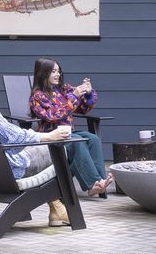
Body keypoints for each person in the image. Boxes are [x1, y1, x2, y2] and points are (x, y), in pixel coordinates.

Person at [0, 54, 74, 226]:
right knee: (59, 150)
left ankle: (55, 210)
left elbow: (11, 137)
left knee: (47, 149)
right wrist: (50, 136)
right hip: (10, 171)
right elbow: (15, 137)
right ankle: (60, 210)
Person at [29, 57, 110, 197]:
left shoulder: (63, 90)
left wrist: (88, 92)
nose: (57, 74)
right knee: (77, 141)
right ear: (43, 73)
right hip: (51, 137)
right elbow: (52, 115)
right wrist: (73, 97)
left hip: (68, 134)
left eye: (58, 71)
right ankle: (93, 185)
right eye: (53, 71)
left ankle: (101, 181)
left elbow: (82, 109)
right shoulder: (38, 96)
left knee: (92, 138)